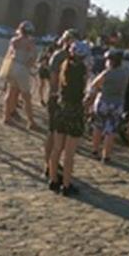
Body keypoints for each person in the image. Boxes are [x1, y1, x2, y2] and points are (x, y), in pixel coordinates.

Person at [48, 41, 90, 197]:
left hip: (62, 108)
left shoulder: (65, 66)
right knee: (70, 153)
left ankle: (53, 180)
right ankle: (66, 184)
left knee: (57, 148)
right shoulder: (82, 70)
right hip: (75, 110)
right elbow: (83, 89)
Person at [43, 30, 78, 176]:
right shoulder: (59, 56)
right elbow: (53, 78)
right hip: (56, 98)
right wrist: (55, 94)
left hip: (63, 98)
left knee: (58, 135)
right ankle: (48, 164)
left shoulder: (69, 56)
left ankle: (53, 163)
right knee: (53, 133)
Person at [87, 49, 129, 163]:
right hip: (118, 104)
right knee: (110, 131)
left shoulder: (107, 73)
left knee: (98, 126)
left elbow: (94, 84)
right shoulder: (125, 72)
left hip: (104, 102)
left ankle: (95, 150)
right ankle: (106, 156)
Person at [1, 21, 39, 129]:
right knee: (26, 97)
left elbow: (9, 54)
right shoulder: (30, 43)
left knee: (10, 93)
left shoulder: (14, 40)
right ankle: (31, 121)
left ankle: (6, 117)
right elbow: (33, 58)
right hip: (22, 68)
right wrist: (29, 67)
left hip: (12, 65)